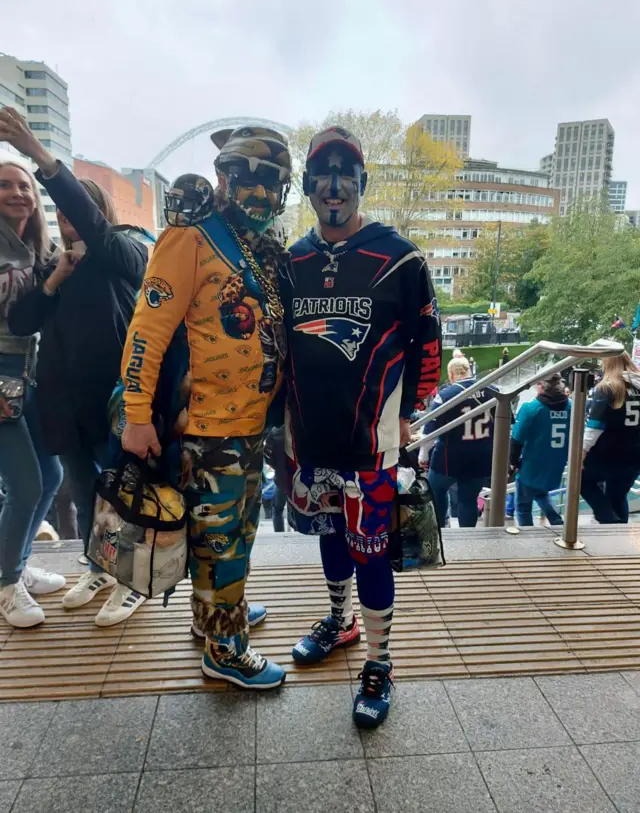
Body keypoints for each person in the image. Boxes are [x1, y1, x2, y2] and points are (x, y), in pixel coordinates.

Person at [281, 126, 441, 727]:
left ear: (362, 184)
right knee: (328, 535)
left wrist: (406, 416)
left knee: (372, 552)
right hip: (309, 441)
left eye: (346, 172)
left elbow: (429, 344)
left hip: (371, 447)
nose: (334, 184)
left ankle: (380, 660)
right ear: (307, 186)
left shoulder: (401, 258)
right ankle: (340, 621)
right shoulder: (290, 261)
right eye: (322, 172)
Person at [121, 127, 292, 689]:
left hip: (244, 428)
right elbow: (147, 329)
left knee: (231, 534)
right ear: (223, 178)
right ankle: (225, 649)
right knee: (223, 541)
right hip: (210, 431)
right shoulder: (191, 237)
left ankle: (216, 615)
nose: (262, 194)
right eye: (250, 178)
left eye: (274, 181)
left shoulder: (252, 245)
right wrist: (138, 416)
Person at [1, 108, 149, 626]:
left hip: (116, 405)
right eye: (60, 216)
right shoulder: (54, 267)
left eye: (77, 213)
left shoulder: (124, 254)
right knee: (85, 495)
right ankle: (99, 566)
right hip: (66, 406)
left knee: (123, 495)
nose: (67, 222)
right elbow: (21, 321)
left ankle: (130, 579)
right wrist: (53, 279)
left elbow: (91, 223)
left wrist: (39, 155)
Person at [0, 157, 65, 627]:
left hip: (30, 372)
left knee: (52, 473)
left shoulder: (37, 246)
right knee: (24, 486)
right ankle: (6, 585)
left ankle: (16, 563)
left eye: (24, 185)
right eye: (5, 185)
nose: (18, 193)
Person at [422, 357, 494, 528]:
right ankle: (466, 537)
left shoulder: (446, 395)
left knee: (436, 490)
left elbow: (429, 431)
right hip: (480, 456)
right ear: (469, 370)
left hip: (450, 456)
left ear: (451, 374)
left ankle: (441, 528)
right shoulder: (492, 390)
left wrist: (423, 454)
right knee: (468, 500)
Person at [581, 352, 640, 523]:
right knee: (618, 495)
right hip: (635, 452)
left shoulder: (608, 387)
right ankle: (618, 535)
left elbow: (594, 426)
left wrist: (582, 452)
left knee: (582, 481)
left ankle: (609, 521)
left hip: (609, 452)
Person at [509, 373, 571, 527]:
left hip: (532, 465)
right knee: (541, 493)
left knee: (523, 507)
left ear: (541, 386)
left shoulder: (531, 408)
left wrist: (513, 463)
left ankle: (529, 538)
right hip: (556, 464)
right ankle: (558, 523)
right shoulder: (571, 406)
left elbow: (516, 439)